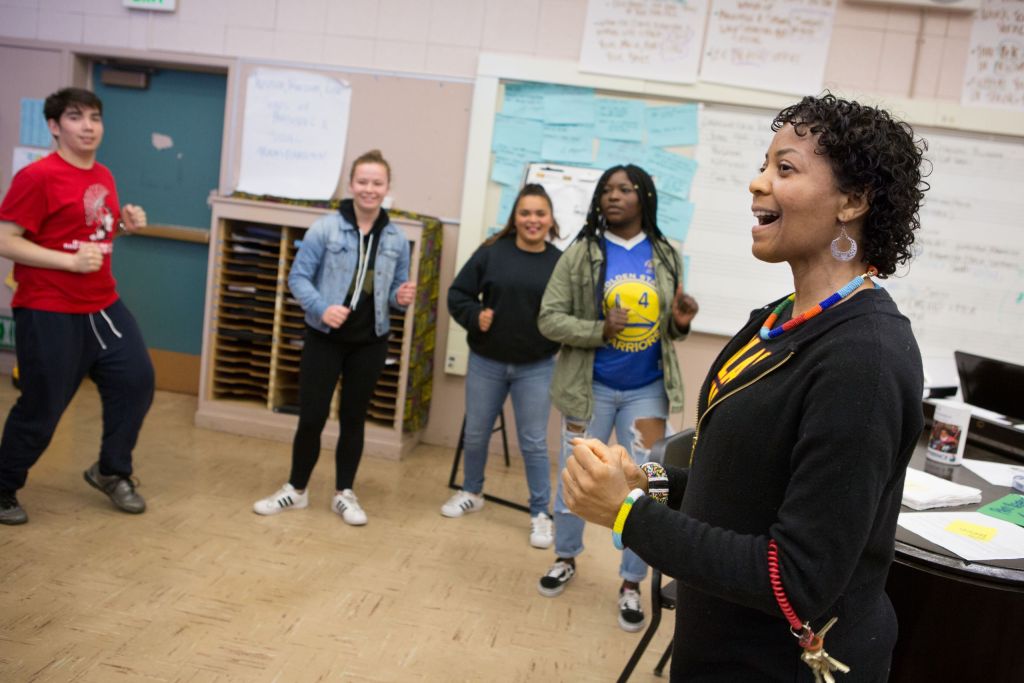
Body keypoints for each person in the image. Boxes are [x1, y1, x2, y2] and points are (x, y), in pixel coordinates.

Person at [562, 93, 927, 681]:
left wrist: (628, 515)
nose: (758, 183)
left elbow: (796, 579)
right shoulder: (777, 319)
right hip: (719, 643)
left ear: (853, 201)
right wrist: (650, 483)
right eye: (763, 165)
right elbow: (741, 490)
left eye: (785, 168)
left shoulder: (865, 360)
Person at [535, 164, 699, 632]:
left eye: (625, 189)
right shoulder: (582, 252)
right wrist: (599, 329)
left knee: (647, 483)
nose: (613, 196)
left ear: (643, 197)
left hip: (647, 391)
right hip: (589, 390)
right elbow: (548, 318)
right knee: (575, 475)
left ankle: (631, 581)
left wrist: (680, 322)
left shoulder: (665, 254)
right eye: (607, 190)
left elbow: (667, 330)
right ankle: (565, 557)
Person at [0, 87, 154, 525]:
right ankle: (3, 486)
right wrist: (68, 262)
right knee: (44, 405)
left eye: (94, 118)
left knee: (136, 381)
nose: (88, 126)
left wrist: (122, 226)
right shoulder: (37, 177)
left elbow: (91, 233)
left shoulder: (103, 175)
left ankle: (111, 470)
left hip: (101, 304)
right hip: (48, 306)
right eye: (75, 117)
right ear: (54, 126)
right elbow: (5, 239)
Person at [253, 150, 415, 525]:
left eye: (377, 183)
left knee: (353, 419)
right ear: (351, 185)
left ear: (387, 188)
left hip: (370, 342)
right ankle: (296, 489)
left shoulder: (396, 238)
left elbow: (393, 294)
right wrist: (322, 308)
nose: (369, 189)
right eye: (363, 181)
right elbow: (297, 279)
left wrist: (400, 297)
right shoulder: (324, 229)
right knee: (311, 417)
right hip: (324, 337)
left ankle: (344, 493)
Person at [441, 184, 562, 549]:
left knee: (534, 442)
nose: (532, 220)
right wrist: (474, 315)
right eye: (525, 213)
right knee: (476, 433)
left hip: (537, 366)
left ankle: (540, 513)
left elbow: (569, 312)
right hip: (487, 362)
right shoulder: (492, 251)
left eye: (540, 213)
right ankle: (471, 491)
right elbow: (457, 294)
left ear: (550, 219)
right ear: (515, 217)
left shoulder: (559, 262)